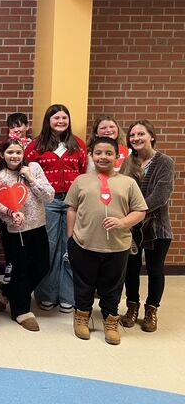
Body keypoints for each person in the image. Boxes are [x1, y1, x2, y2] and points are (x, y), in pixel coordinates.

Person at [66, 137, 146, 345]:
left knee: (112, 286)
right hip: (84, 243)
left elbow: (140, 211)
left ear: (117, 156)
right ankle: (82, 316)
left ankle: (111, 319)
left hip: (117, 246)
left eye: (108, 153)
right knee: (83, 284)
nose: (103, 157)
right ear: (91, 155)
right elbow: (72, 208)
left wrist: (122, 222)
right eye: (98, 153)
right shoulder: (81, 181)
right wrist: (71, 237)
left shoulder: (128, 183)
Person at [24, 104, 87, 312]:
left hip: (73, 203)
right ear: (48, 121)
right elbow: (27, 174)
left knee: (71, 248)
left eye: (64, 118)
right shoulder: (36, 146)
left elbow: (84, 172)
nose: (61, 121)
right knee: (49, 248)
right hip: (48, 202)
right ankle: (47, 293)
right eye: (56, 118)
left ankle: (68, 294)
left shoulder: (78, 145)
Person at [0, 138, 54, 331]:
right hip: (15, 230)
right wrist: (11, 216)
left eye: (18, 152)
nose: (14, 156)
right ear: (3, 155)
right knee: (20, 270)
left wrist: (31, 179)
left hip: (38, 226)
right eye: (10, 152)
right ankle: (21, 311)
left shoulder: (33, 168)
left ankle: (6, 290)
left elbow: (49, 195)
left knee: (43, 266)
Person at [119, 120, 175, 332]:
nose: (136, 139)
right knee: (130, 270)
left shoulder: (165, 162)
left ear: (151, 136)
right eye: (132, 135)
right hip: (131, 228)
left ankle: (151, 311)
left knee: (155, 269)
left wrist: (135, 213)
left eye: (141, 134)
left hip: (157, 228)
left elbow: (160, 196)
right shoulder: (128, 162)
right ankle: (132, 306)